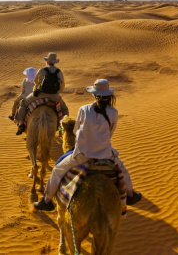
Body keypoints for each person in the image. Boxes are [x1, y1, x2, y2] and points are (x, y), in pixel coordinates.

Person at [34, 79, 142, 211]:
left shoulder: (84, 109)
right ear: (108, 95)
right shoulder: (113, 112)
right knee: (122, 169)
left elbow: (75, 130)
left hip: (82, 155)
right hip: (106, 155)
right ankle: (130, 194)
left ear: (94, 95)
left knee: (57, 170)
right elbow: (111, 132)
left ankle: (47, 200)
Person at [14, 52, 69, 135]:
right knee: (65, 109)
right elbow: (61, 87)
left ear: (47, 61)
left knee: (23, 103)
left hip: (40, 95)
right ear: (54, 62)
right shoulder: (59, 72)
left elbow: (36, 82)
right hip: (55, 96)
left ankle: (21, 124)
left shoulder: (42, 70)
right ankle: (63, 128)